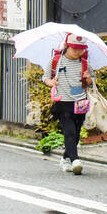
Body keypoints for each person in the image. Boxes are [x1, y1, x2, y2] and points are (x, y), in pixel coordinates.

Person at [44, 34, 92, 174]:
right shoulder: (56, 61)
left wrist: (88, 79)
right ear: (66, 46)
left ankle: (65, 158)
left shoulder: (84, 63)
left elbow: (92, 81)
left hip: (80, 102)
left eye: (81, 49)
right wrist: (51, 82)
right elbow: (45, 77)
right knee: (69, 131)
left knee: (76, 133)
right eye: (75, 48)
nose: (78, 52)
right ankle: (75, 160)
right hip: (63, 101)